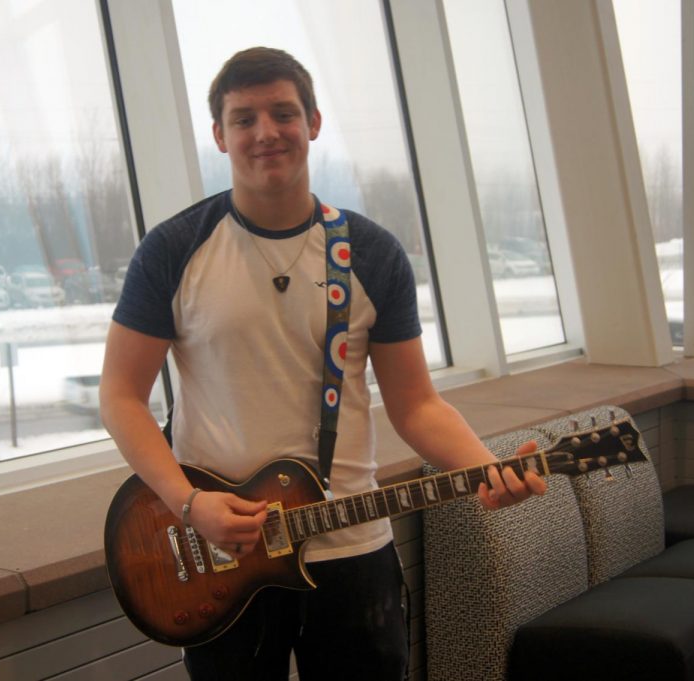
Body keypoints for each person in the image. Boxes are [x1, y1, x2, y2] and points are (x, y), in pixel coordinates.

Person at [99, 46, 547, 681]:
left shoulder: (371, 254)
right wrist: (189, 503)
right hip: (224, 552)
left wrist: (489, 471)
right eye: (244, 118)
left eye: (283, 113)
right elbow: (119, 396)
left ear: (312, 122)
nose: (265, 133)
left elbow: (416, 405)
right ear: (219, 136)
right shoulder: (174, 250)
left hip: (352, 546)